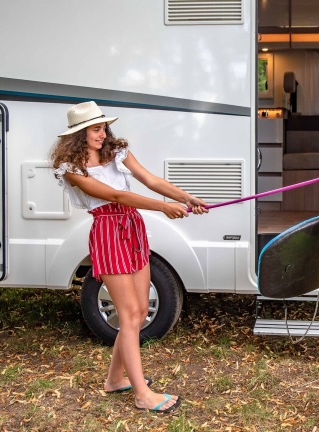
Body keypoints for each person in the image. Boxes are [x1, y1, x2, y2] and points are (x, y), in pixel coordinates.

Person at [51, 101, 208, 413]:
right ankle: (142, 395)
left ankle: (115, 380)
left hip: (132, 227)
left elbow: (151, 180)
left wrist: (186, 197)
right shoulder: (71, 169)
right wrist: (163, 207)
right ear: (80, 134)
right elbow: (115, 196)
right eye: (95, 129)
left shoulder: (116, 152)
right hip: (109, 231)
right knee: (129, 314)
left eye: (103, 128)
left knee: (139, 312)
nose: (102, 134)